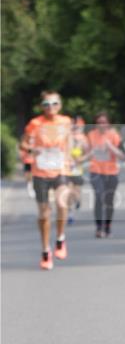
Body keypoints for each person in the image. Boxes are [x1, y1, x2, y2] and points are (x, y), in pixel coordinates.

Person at [21, 91, 73, 270]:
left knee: (62, 203)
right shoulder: (35, 123)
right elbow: (24, 144)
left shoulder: (65, 121)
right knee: (44, 214)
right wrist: (31, 150)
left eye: (54, 103)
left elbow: (69, 141)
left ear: (60, 105)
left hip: (60, 170)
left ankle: (60, 238)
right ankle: (45, 251)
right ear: (41, 106)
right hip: (40, 171)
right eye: (46, 104)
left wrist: (69, 157)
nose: (50, 107)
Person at [83, 113, 123, 238]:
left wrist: (110, 146)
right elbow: (87, 153)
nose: (101, 124)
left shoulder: (114, 135)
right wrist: (84, 156)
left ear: (108, 123)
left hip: (111, 172)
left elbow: (122, 155)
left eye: (104, 122)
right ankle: (99, 227)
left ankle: (107, 226)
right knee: (99, 197)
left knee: (109, 201)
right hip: (96, 171)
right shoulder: (90, 135)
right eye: (99, 122)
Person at [67, 116, 87, 224]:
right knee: (69, 192)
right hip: (66, 169)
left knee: (76, 191)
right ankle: (70, 214)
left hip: (77, 169)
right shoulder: (66, 137)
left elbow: (87, 153)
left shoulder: (83, 139)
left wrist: (81, 159)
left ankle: (78, 200)